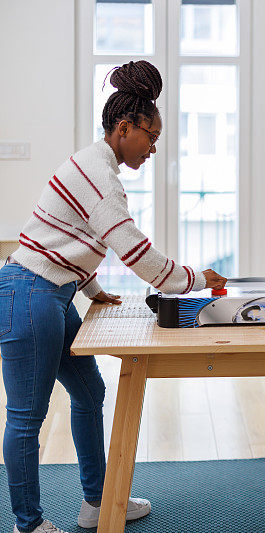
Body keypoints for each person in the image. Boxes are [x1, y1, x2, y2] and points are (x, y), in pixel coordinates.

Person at [0, 60, 227, 533]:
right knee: (27, 417)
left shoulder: (94, 166)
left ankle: (96, 503)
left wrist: (93, 289)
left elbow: (64, 240)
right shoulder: (99, 176)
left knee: (89, 392)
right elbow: (142, 259)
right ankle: (29, 524)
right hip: (29, 295)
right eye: (152, 136)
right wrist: (199, 279)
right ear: (124, 127)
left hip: (52, 295)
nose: (154, 147)